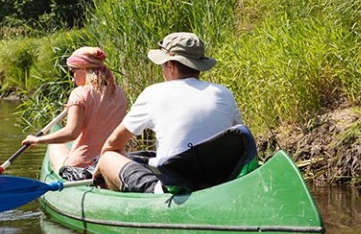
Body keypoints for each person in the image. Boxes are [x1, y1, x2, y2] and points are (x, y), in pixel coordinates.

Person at [93, 32, 243, 193]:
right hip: (219, 181)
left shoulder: (154, 93)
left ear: (171, 66)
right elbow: (240, 137)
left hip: (174, 187)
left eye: (163, 66)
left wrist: (101, 170)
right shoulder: (224, 93)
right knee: (146, 157)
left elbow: (113, 143)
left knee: (107, 156)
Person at [22, 46, 128, 171]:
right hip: (114, 164)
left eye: (72, 72)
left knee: (54, 147)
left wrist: (37, 140)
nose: (72, 79)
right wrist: (74, 107)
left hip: (83, 166)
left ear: (83, 69)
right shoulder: (120, 93)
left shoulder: (79, 93)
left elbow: (71, 133)